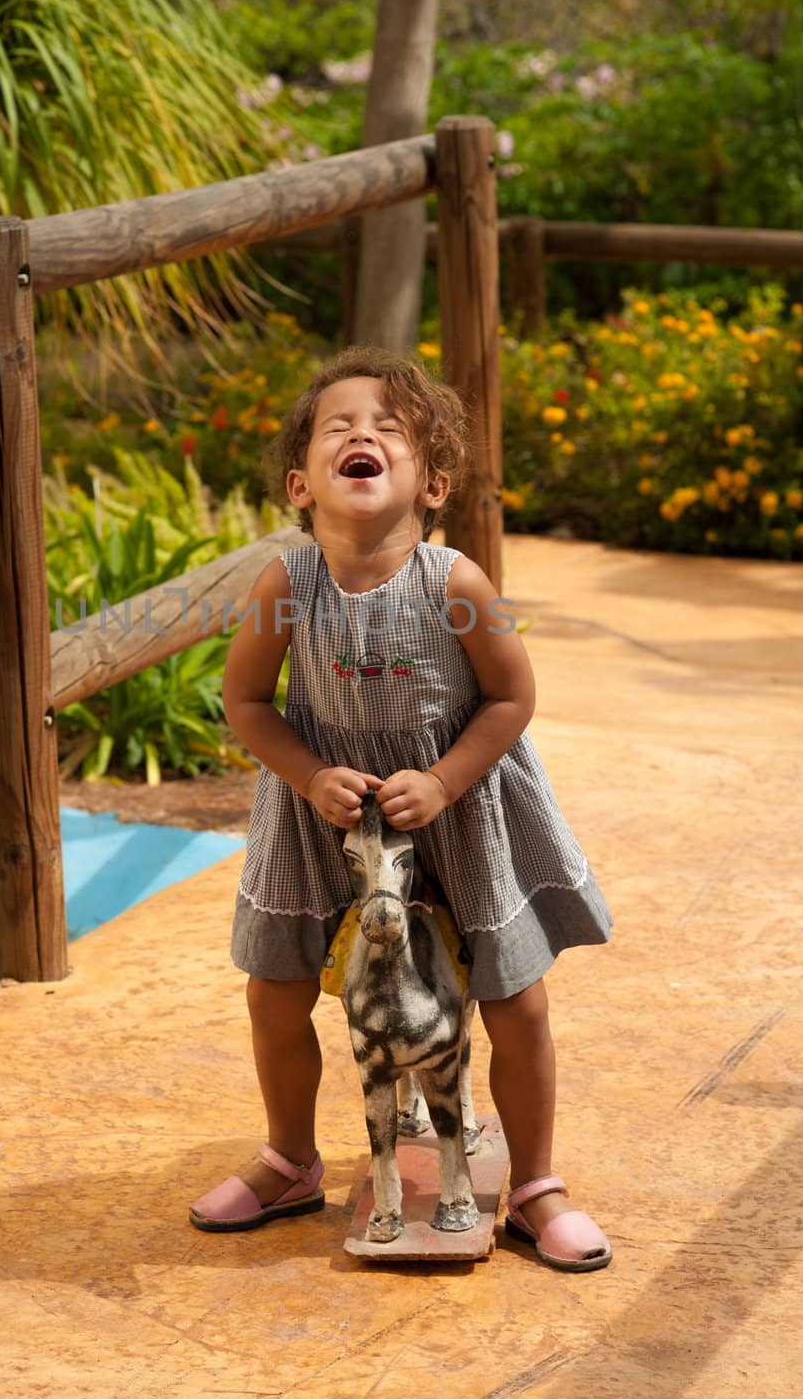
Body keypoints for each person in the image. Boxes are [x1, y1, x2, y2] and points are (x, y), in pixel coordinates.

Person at [188, 345, 614, 1271]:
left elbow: (510, 698)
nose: (361, 434)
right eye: (338, 426)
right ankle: (288, 1159)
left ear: (433, 484)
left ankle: (536, 1187)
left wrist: (448, 779)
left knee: (516, 999)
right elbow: (249, 704)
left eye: (388, 428)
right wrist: (307, 775)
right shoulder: (283, 587)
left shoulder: (455, 587)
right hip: (320, 823)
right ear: (302, 483)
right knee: (274, 989)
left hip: (457, 813)